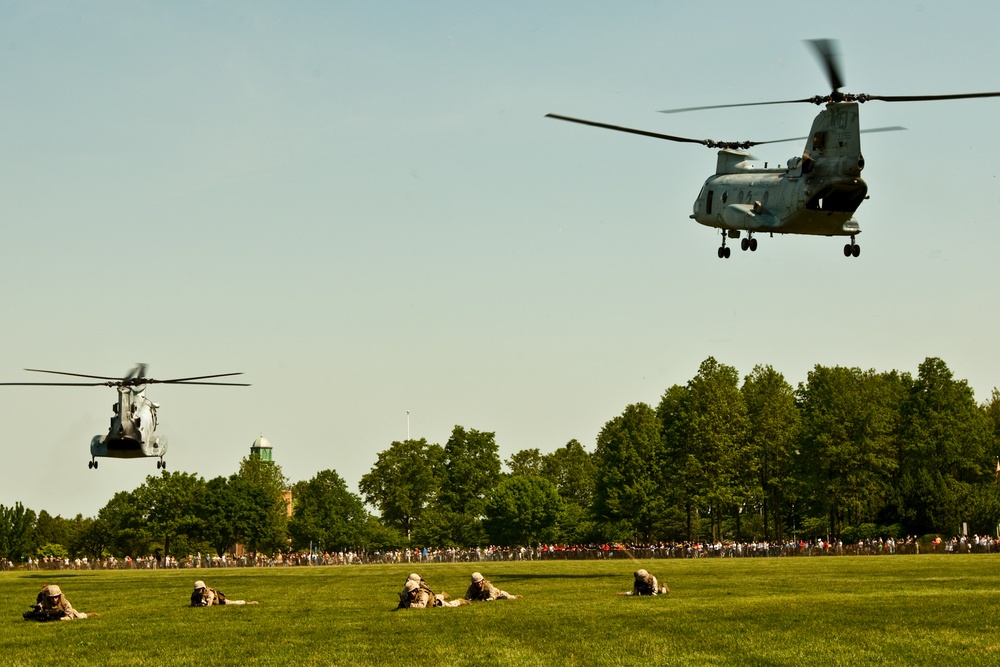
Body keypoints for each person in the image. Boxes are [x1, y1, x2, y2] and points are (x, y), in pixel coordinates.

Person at [396, 573, 467, 609]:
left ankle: (458, 601)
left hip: (435, 603)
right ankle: (443, 595)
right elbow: (404, 595)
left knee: (450, 605)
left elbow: (422, 605)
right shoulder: (409, 587)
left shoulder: (423, 591)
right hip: (429, 598)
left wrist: (410, 605)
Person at [23, 584, 89, 621]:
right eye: (52, 598)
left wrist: (60, 619)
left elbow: (70, 616)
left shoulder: (65, 602)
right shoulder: (44, 602)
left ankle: (86, 614)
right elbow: (39, 611)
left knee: (79, 617)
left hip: (64, 615)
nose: (55, 600)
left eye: (56, 597)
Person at [190, 580, 259, 606]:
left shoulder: (209, 593)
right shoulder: (196, 595)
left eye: (199, 589)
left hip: (221, 602)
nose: (197, 591)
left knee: (235, 603)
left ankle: (248, 603)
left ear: (203, 588)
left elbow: (209, 604)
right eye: (196, 590)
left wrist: (202, 604)